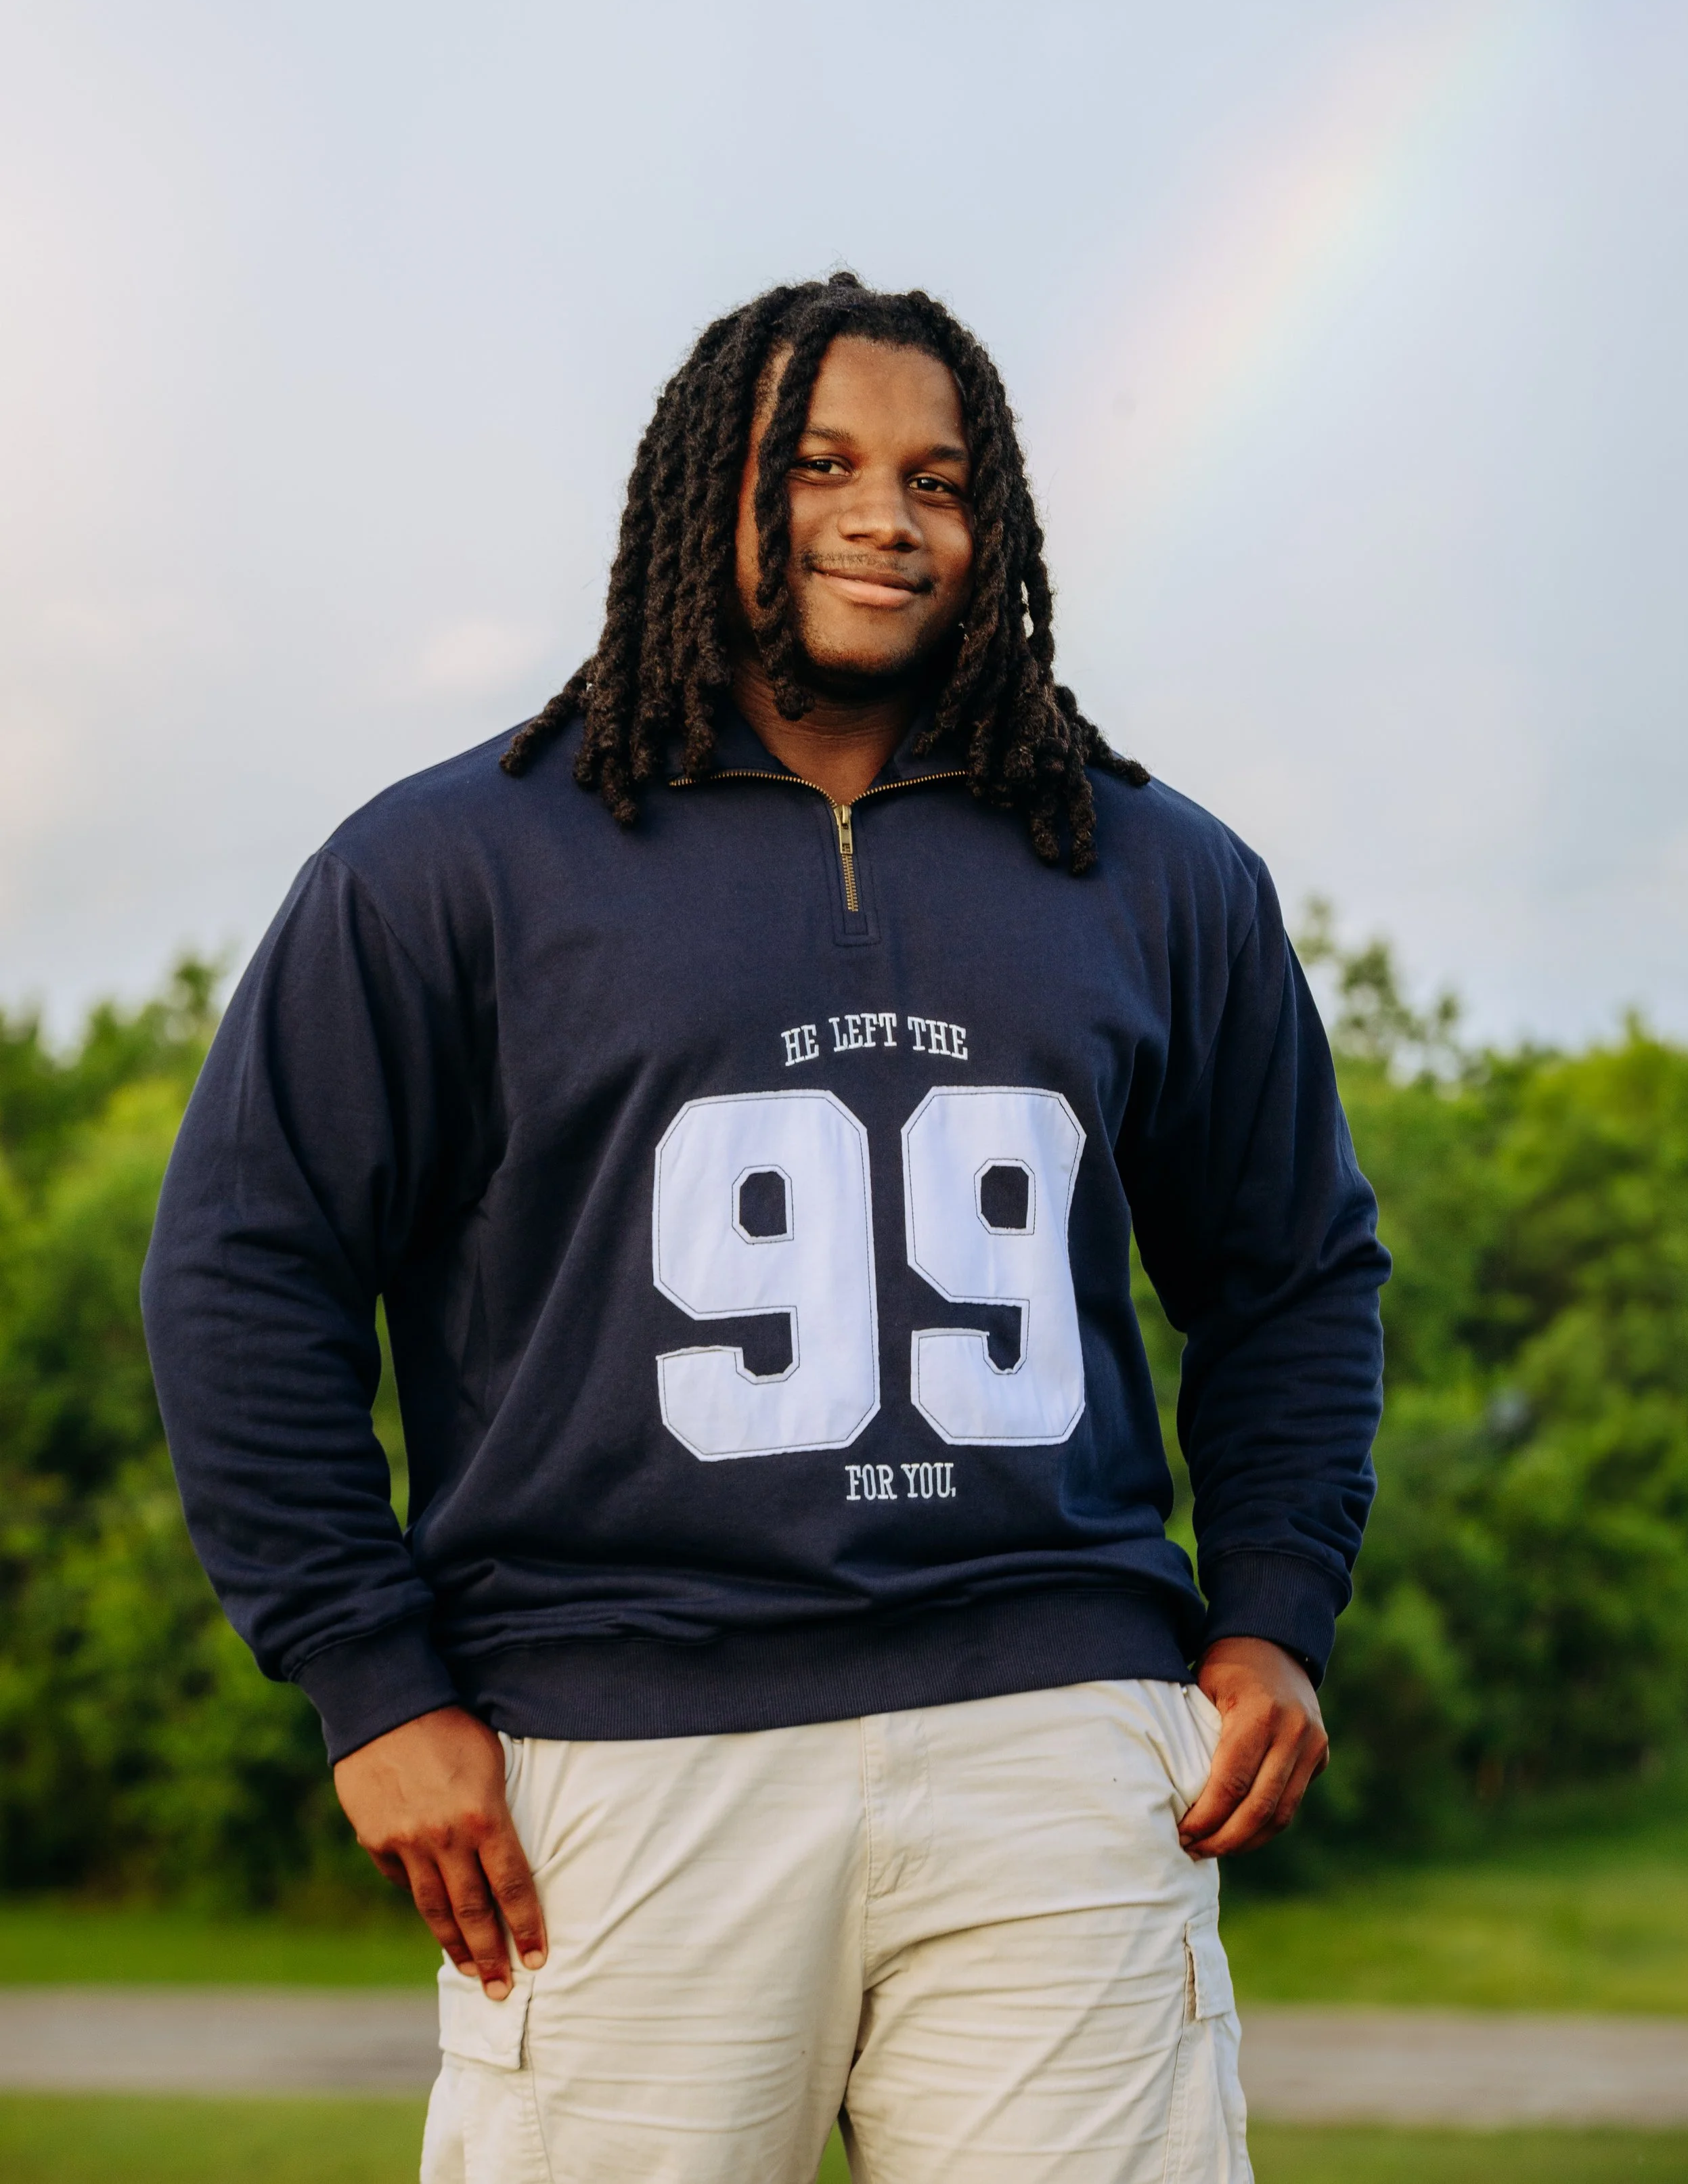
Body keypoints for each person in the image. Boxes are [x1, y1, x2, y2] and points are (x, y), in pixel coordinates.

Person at [143, 274, 1387, 2183]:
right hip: (622, 1757)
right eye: (818, 463)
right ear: (699, 495)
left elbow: (1294, 1270)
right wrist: (368, 1677)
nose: (885, 517)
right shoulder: (451, 858)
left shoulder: (1152, 865)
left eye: (939, 477)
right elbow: (244, 1263)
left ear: (1002, 525)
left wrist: (1275, 1611)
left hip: (1048, 1735)